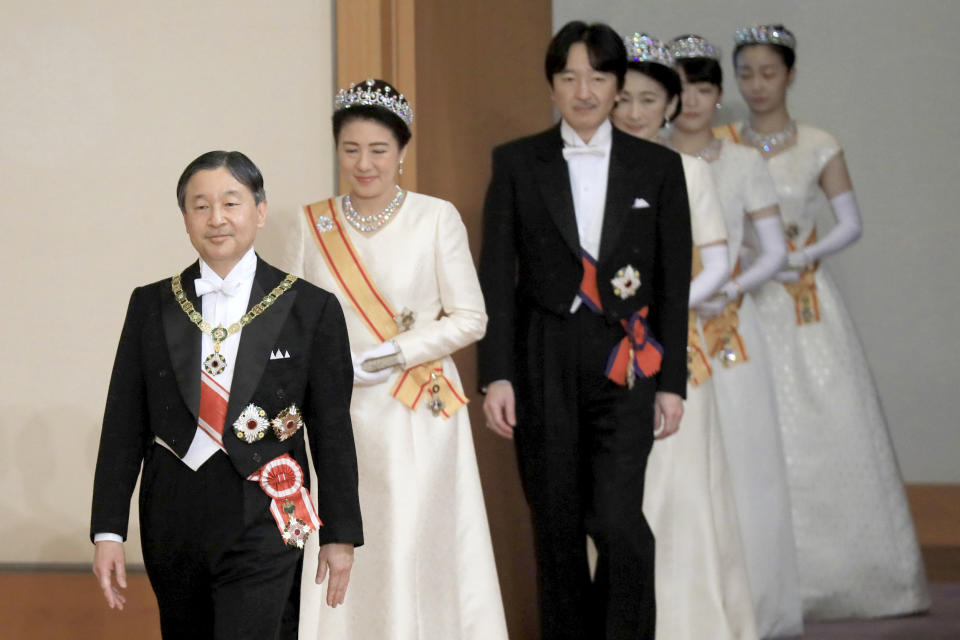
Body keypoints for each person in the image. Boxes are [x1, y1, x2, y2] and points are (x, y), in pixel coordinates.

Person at [90, 150, 363, 639]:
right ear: (185, 218)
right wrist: (108, 531)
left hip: (266, 507)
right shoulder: (150, 304)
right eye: (200, 206)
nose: (216, 219)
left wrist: (339, 534)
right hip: (172, 511)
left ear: (259, 211)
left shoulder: (311, 308)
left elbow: (333, 429)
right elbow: (124, 422)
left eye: (231, 203)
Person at [478, 21, 692, 640]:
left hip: (627, 358)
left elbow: (674, 285)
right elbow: (497, 274)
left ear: (618, 84)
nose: (584, 90)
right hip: (543, 354)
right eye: (569, 77)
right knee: (557, 524)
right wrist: (496, 374)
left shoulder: (658, 167)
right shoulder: (517, 161)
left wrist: (672, 383)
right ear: (551, 84)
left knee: (620, 521)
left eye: (598, 76)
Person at [286, 79, 508, 640]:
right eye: (352, 149)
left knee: (410, 541)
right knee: (343, 538)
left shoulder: (436, 218)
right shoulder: (311, 225)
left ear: (403, 152)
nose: (365, 163)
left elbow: (470, 318)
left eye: (379, 150)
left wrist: (396, 352)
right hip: (339, 416)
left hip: (416, 409)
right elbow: (291, 319)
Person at [728, 24, 929, 619]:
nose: (757, 85)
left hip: (801, 295)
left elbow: (849, 221)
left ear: (790, 74)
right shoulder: (726, 142)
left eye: (768, 73)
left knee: (828, 419)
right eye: (746, 74)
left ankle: (851, 575)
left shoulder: (818, 142)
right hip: (743, 296)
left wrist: (799, 255)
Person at [611, 32, 757, 640]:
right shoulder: (587, 170)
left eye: (648, 99)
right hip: (605, 350)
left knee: (683, 481)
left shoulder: (688, 169)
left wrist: (661, 312)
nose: (635, 112)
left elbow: (719, 262)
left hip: (673, 348)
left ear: (670, 105)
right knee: (619, 489)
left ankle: (691, 620)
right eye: (623, 98)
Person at [666, 34, 803, 638]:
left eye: (703, 87)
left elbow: (774, 249)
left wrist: (734, 285)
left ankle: (757, 598)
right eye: (682, 87)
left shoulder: (744, 161)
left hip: (726, 325)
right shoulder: (647, 155)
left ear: (719, 96)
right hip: (663, 326)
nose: (692, 100)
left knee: (746, 456)